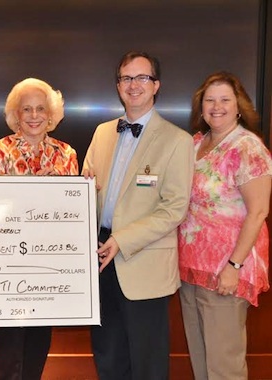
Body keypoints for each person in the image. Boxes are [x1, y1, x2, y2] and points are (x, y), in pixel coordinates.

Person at [81, 51, 194, 380]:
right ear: (118, 86)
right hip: (100, 259)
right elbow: (88, 187)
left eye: (142, 77)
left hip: (144, 263)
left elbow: (174, 207)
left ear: (156, 85)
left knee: (148, 363)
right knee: (108, 355)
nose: (134, 85)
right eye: (126, 78)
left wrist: (122, 239)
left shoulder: (177, 141)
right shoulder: (102, 133)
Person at [0, 77, 78, 380]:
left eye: (40, 109)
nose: (34, 116)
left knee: (37, 347)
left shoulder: (67, 155)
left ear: (51, 115)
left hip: (47, 269)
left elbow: (71, 215)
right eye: (27, 109)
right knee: (7, 351)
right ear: (16, 115)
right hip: (6, 269)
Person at [178, 72, 271, 380]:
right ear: (201, 107)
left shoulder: (248, 147)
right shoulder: (195, 144)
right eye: (210, 100)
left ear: (239, 106)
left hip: (226, 270)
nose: (217, 107)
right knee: (202, 361)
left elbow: (258, 212)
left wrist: (234, 265)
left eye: (225, 100)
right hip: (192, 268)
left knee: (224, 366)